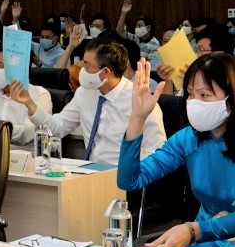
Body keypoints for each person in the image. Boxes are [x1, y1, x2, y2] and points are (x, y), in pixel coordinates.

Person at [119, 53, 235, 247]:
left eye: (204, 95)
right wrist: (138, 117)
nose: (194, 103)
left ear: (232, 99)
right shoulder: (189, 138)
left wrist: (191, 231)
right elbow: (129, 180)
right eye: (190, 94)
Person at [31, 40, 165, 167]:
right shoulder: (85, 92)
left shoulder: (140, 101)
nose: (82, 70)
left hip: (122, 175)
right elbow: (59, 127)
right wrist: (29, 105)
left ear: (105, 72)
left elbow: (157, 153)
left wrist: (130, 174)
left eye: (86, 65)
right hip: (88, 172)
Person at [0, 45, 51, 147]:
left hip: (20, 155)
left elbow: (30, 133)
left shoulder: (39, 94)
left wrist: (0, 129)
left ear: (16, 69)